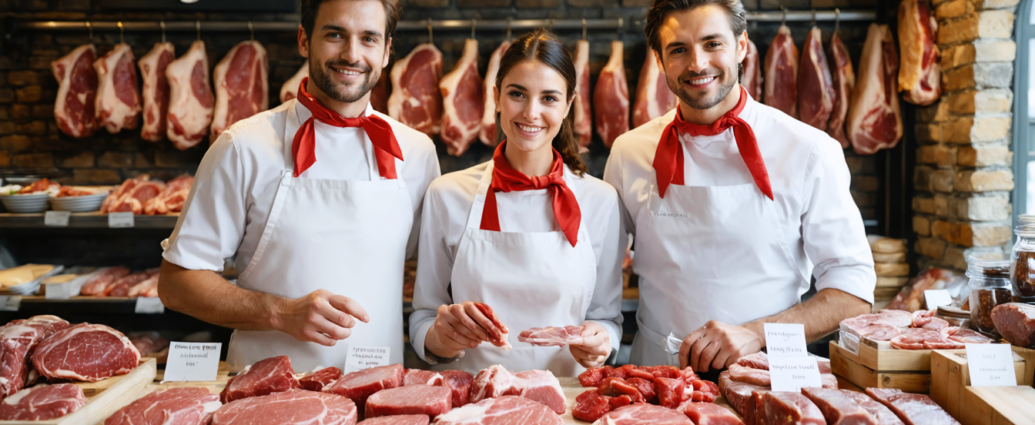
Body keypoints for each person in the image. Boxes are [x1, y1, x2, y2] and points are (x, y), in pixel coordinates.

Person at [157, 0, 440, 371]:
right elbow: (176, 283)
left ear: (386, 51)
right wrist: (279, 312)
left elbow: (432, 273)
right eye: (335, 34)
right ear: (304, 40)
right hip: (267, 396)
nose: (352, 54)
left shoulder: (416, 152)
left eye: (368, 38)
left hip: (376, 395)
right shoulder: (244, 146)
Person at [604, 0, 875, 372]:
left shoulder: (809, 150)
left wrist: (757, 333)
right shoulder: (629, 151)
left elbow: (853, 292)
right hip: (658, 380)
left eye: (713, 43)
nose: (697, 63)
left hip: (769, 376)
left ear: (742, 45)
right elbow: (599, 270)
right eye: (679, 49)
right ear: (659, 58)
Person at [409, 29, 626, 376]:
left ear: (569, 105)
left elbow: (607, 320)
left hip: (566, 405)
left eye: (549, 99)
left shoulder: (600, 200)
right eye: (517, 94)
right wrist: (440, 339)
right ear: (496, 97)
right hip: (473, 402)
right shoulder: (446, 194)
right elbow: (422, 318)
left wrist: (602, 342)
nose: (531, 112)